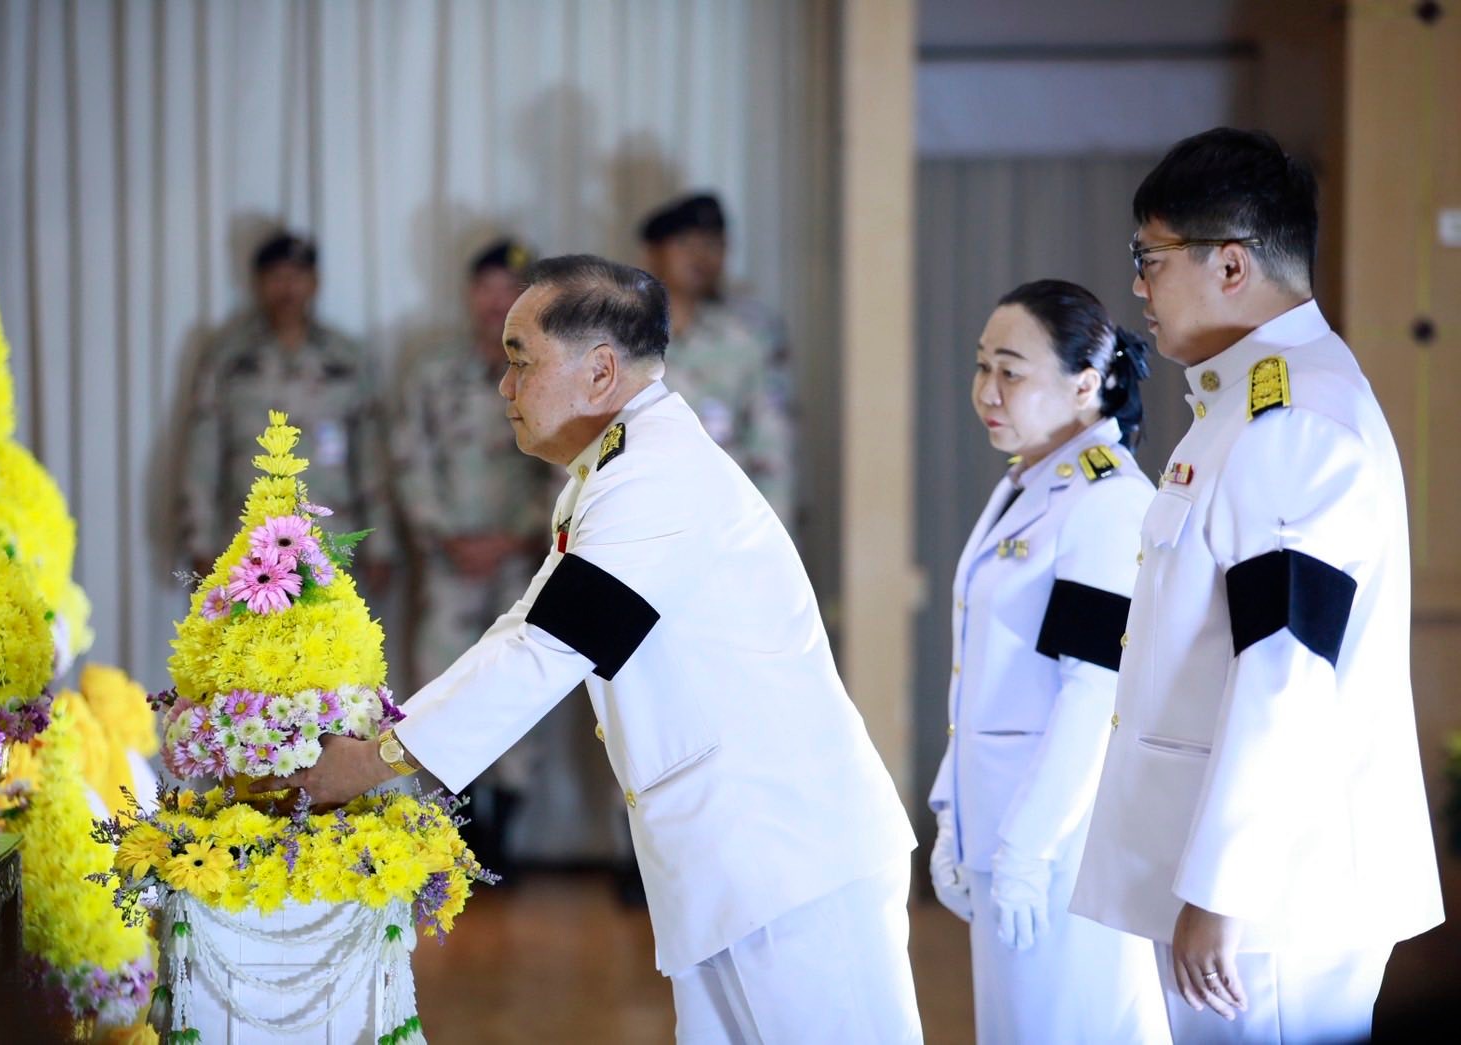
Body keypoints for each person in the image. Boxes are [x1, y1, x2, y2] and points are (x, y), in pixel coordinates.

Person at [268, 254, 921, 1043]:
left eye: (520, 362)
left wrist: (374, 759)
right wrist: (385, 734)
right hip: (736, 862)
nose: (503, 387)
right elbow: (524, 626)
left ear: (600, 370)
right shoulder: (612, 473)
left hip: (790, 862)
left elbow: (547, 648)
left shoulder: (657, 477)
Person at [1070, 128, 1445, 1043]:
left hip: (1271, 905)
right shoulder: (1245, 403)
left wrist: (1220, 887)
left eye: (1149, 258)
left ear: (1230, 264)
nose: (1137, 287)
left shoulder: (1292, 421)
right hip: (1246, 893)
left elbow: (1283, 667)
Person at [927, 279, 1169, 1043]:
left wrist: (1028, 849)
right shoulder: (1029, 483)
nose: (986, 391)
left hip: (1056, 846)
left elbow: (1094, 690)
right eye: (981, 366)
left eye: (1010, 371)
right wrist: (949, 813)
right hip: (999, 830)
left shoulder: (1103, 501)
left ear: (1083, 384)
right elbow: (979, 676)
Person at [390, 237, 553, 881]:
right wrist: (443, 535)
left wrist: (517, 537)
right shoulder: (433, 372)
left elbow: (562, 462)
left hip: (524, 560)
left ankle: (502, 837)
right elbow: (409, 458)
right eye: (485, 287)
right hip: (448, 561)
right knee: (440, 689)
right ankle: (453, 836)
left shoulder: (548, 369)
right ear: (468, 294)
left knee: (521, 685)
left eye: (510, 289)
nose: (495, 301)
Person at [177, 231, 394, 588]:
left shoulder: (346, 358)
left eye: (297, 276)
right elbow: (203, 453)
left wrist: (380, 544)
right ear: (258, 284)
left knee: (327, 626)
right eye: (276, 277)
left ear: (315, 282)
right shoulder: (229, 358)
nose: (287, 289)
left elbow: (370, 456)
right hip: (248, 541)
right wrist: (199, 539)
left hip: (328, 539)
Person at [640, 194, 796, 530]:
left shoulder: (750, 337)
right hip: (640, 522)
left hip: (724, 523)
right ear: (653, 252)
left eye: (713, 244)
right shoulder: (621, 334)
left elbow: (772, 447)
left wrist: (775, 541)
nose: (701, 256)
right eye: (685, 243)